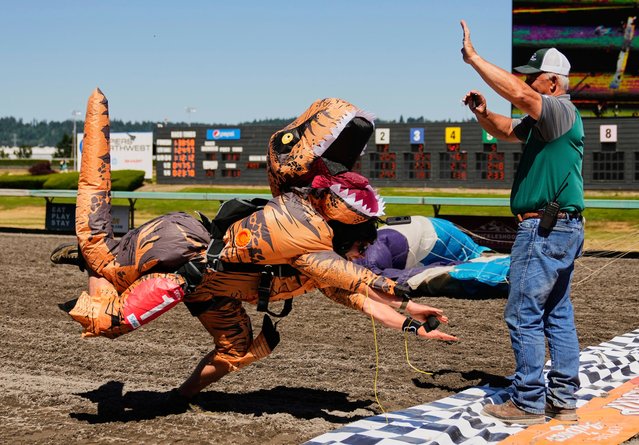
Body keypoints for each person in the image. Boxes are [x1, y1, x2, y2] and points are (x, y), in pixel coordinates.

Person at [54, 89, 458, 407]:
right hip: (180, 253)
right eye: (359, 250)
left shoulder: (317, 265)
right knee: (106, 309)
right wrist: (399, 292)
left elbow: (362, 299)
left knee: (239, 349)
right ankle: (94, 266)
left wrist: (412, 321)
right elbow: (350, 276)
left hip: (214, 289)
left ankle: (179, 398)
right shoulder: (296, 228)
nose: (360, 257)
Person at [460, 20, 585, 425]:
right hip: (563, 227)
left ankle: (528, 401)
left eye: (534, 81)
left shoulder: (559, 110)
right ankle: (563, 400)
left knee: (522, 314)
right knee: (557, 313)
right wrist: (482, 113)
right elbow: (507, 129)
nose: (527, 87)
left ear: (552, 82)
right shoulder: (547, 121)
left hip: (544, 229)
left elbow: (515, 93)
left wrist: (475, 59)